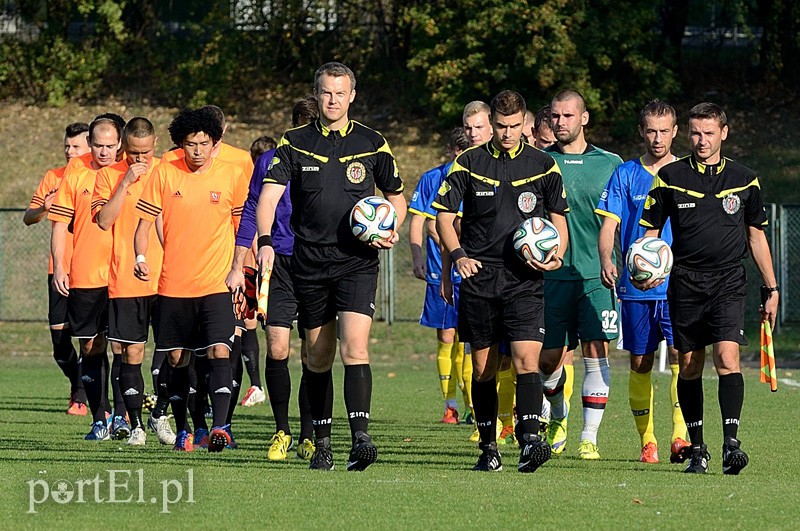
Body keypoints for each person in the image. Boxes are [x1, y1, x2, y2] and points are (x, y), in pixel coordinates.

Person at [254, 62, 406, 471]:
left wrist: (390, 229)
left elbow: (396, 197)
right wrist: (266, 241)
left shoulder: (373, 143)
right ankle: (322, 443)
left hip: (357, 262)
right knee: (317, 357)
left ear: (352, 96)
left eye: (340, 93)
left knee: (355, 346)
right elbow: (268, 197)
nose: (333, 100)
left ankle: (361, 437)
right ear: (317, 94)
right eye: (326, 92)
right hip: (310, 263)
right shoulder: (295, 141)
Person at [639, 102, 779, 475]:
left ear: (724, 133)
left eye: (709, 133)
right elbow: (649, 235)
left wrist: (772, 287)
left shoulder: (745, 179)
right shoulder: (669, 176)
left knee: (728, 359)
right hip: (684, 282)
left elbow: (756, 237)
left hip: (729, 281)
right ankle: (697, 449)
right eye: (696, 133)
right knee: (689, 364)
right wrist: (645, 267)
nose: (701, 141)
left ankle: (731, 444)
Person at [434, 89, 569, 472]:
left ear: (525, 123)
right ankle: (488, 447)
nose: (507, 133)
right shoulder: (468, 163)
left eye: (514, 126)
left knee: (528, 361)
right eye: (500, 126)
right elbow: (444, 216)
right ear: (492, 123)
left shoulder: (543, 165)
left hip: (525, 277)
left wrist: (556, 253)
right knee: (484, 369)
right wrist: (458, 256)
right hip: (481, 277)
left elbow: (559, 218)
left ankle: (529, 440)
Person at [134, 107, 248, 453]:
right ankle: (186, 429)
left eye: (204, 143)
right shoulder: (165, 174)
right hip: (174, 287)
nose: (198, 150)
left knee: (219, 350)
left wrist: (239, 268)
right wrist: (141, 257)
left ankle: (220, 428)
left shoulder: (231, 175)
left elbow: (244, 230)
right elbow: (142, 227)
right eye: (190, 144)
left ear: (215, 143)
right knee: (177, 360)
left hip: (217, 284)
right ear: (180, 145)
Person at [595, 100, 690, 464]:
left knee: (685, 356)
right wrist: (607, 258)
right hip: (636, 286)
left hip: (680, 285)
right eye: (651, 130)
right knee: (640, 362)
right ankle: (647, 440)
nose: (657, 138)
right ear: (641, 131)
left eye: (664, 130)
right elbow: (610, 225)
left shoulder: (686, 173)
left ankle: (680, 437)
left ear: (675, 131)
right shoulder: (625, 174)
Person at [226, 96, 319, 461]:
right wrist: (238, 262)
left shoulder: (332, 162)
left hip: (317, 265)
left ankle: (310, 434)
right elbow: (251, 209)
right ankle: (282, 431)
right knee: (278, 348)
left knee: (315, 354)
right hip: (278, 262)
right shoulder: (270, 160)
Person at [540, 89, 623, 460]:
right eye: (555, 117)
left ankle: (589, 436)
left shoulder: (610, 163)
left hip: (595, 275)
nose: (561, 123)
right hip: (550, 276)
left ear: (584, 118)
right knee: (546, 359)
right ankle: (558, 412)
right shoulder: (538, 161)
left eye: (568, 116)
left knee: (595, 350)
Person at [92, 117, 172, 446]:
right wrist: (124, 183)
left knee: (176, 354)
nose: (141, 159)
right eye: (135, 153)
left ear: (155, 146)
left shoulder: (167, 171)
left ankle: (160, 414)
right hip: (126, 278)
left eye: (147, 152)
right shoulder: (108, 176)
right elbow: (103, 221)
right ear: (125, 148)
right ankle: (136, 424)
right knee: (133, 353)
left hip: (168, 278)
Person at [48, 117, 120, 440]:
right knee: (91, 345)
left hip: (123, 275)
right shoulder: (75, 172)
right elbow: (60, 224)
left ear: (119, 144)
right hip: (86, 274)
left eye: (110, 146)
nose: (103, 152)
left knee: (124, 347)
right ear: (90, 143)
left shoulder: (130, 170)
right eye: (98, 145)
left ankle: (124, 416)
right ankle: (99, 417)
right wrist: (61, 266)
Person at [23, 122, 90, 416]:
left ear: (90, 148)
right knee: (60, 345)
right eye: (67, 146)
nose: (69, 151)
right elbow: (29, 217)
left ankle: (85, 396)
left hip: (90, 270)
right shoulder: (54, 177)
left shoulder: (98, 176)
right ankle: (78, 383)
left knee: (93, 340)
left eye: (76, 146)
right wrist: (43, 207)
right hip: (59, 269)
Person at [408, 127, 469, 424]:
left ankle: (473, 402)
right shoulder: (433, 179)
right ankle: (451, 404)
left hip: (471, 271)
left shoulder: (479, 175)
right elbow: (420, 219)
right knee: (446, 336)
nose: (460, 157)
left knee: (470, 340)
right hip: (438, 271)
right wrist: (417, 256)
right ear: (450, 151)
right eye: (457, 152)